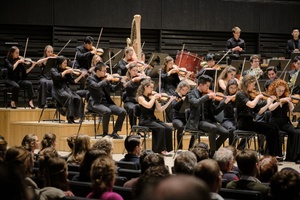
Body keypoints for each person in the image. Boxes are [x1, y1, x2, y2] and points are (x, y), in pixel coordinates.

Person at [235, 74, 282, 156]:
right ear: (247, 83)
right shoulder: (240, 94)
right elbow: (251, 105)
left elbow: (259, 112)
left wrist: (269, 103)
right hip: (243, 123)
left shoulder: (250, 95)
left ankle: (276, 154)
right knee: (270, 129)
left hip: (250, 122)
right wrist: (258, 97)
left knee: (274, 127)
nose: (254, 87)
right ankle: (271, 154)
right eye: (253, 84)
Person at [185, 75, 229, 156]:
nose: (208, 88)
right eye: (207, 86)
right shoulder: (192, 93)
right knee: (213, 128)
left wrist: (224, 103)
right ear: (200, 85)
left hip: (209, 121)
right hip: (198, 121)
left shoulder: (208, 94)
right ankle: (212, 153)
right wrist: (206, 96)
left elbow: (215, 112)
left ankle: (211, 149)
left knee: (226, 133)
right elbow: (195, 103)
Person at [86, 62, 126, 139]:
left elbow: (113, 90)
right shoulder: (90, 79)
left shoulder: (104, 79)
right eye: (104, 71)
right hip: (95, 103)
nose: (106, 73)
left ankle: (115, 132)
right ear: (97, 71)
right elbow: (97, 86)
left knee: (122, 111)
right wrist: (107, 80)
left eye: (105, 71)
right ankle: (105, 133)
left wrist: (120, 83)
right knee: (107, 111)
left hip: (106, 103)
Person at [136, 79, 176, 155]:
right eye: (151, 87)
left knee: (168, 128)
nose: (152, 89)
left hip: (152, 119)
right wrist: (154, 97)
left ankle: (167, 149)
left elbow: (160, 109)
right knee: (160, 128)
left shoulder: (151, 97)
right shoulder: (140, 98)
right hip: (145, 120)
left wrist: (170, 101)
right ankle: (159, 150)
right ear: (145, 87)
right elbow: (148, 106)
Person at [268, 79, 300, 162]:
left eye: (283, 90)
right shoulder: (271, 98)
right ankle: (278, 155)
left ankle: (291, 157)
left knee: (296, 132)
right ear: (274, 89)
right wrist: (280, 101)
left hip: (284, 122)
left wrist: (290, 103)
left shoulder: (286, 99)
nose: (281, 92)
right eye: (279, 90)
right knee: (277, 133)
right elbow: (270, 108)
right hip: (274, 122)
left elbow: (293, 113)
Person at [50, 56, 86, 123]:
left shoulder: (66, 71)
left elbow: (73, 82)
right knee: (69, 97)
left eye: (66, 63)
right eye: (64, 63)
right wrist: (66, 71)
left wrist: (81, 76)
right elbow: (58, 76)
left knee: (78, 98)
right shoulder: (53, 70)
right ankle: (69, 118)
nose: (66, 65)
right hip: (57, 90)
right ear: (60, 63)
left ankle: (76, 117)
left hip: (66, 89)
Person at [123, 62, 149, 128]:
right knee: (132, 108)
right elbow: (124, 86)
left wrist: (143, 75)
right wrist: (133, 80)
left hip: (138, 101)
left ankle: (141, 127)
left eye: (136, 70)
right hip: (129, 101)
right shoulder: (126, 79)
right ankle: (133, 127)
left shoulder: (139, 80)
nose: (135, 72)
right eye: (133, 71)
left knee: (145, 107)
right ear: (129, 70)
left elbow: (148, 83)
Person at [216, 78, 238, 145]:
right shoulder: (225, 98)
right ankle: (231, 148)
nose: (233, 89)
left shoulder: (239, 97)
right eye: (231, 87)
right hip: (227, 120)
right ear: (227, 88)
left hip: (237, 121)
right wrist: (225, 102)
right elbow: (218, 109)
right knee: (232, 129)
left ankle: (239, 148)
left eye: (235, 88)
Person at [160, 56, 182, 122]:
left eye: (172, 63)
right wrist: (171, 71)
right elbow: (163, 77)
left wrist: (185, 76)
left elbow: (178, 82)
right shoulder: (162, 71)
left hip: (173, 89)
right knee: (169, 103)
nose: (172, 65)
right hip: (165, 89)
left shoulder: (174, 73)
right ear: (166, 63)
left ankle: (175, 120)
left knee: (175, 103)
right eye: (170, 63)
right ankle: (169, 121)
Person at [171, 81, 190, 149]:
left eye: (186, 90)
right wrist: (181, 100)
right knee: (180, 127)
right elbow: (173, 106)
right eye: (183, 90)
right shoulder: (175, 95)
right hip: (177, 118)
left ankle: (190, 148)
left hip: (186, 118)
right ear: (179, 89)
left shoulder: (189, 96)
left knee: (195, 126)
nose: (185, 92)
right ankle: (179, 148)